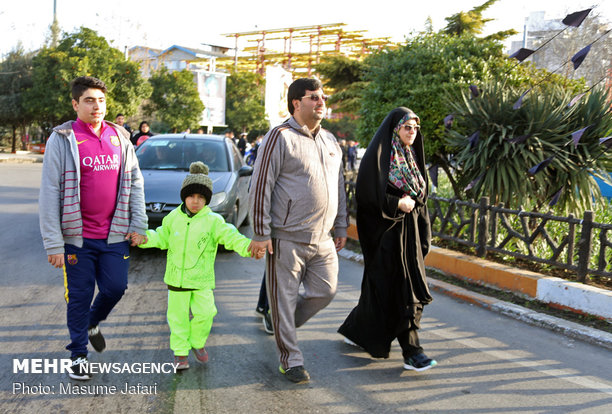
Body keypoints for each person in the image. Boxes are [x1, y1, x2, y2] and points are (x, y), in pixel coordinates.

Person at [39, 76, 148, 381]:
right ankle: (78, 355)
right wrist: (53, 243)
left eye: (100, 100)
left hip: (115, 235)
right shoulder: (62, 139)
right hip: (77, 239)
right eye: (89, 100)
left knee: (116, 287)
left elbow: (136, 182)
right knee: (79, 295)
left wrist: (138, 224)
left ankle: (92, 322)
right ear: (75, 104)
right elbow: (50, 191)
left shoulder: (119, 136)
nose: (96, 106)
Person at [248, 78, 348, 383]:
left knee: (325, 291)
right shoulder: (279, 137)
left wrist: (341, 223)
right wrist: (261, 233)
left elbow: (339, 187)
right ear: (296, 103)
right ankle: (290, 359)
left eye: (323, 97)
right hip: (286, 237)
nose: (321, 102)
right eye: (314, 98)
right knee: (284, 298)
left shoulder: (330, 141)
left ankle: (280, 320)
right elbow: (260, 185)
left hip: (323, 239)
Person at [133, 161, 263, 369]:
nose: (195, 201)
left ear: (207, 200)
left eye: (201, 197)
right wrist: (144, 239)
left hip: (201, 280)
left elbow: (231, 237)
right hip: (176, 279)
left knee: (206, 313)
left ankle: (197, 342)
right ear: (184, 196)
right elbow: (162, 237)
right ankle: (180, 352)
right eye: (191, 196)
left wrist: (248, 247)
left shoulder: (213, 221)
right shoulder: (173, 217)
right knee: (177, 318)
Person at [338, 107, 437, 372]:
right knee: (402, 289)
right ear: (395, 129)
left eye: (416, 128)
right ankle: (412, 350)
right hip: (387, 235)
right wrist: (396, 203)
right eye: (407, 127)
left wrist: (421, 223)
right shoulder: (380, 158)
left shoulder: (412, 156)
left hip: (411, 234)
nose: (412, 132)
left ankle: (358, 329)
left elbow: (421, 197)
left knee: (382, 288)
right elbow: (368, 197)